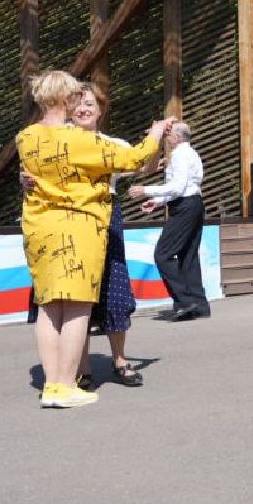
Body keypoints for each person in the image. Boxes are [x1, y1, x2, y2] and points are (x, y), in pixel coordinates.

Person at [17, 71, 170, 409]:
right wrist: (157, 133)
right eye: (75, 97)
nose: (79, 104)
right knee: (76, 308)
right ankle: (67, 386)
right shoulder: (83, 142)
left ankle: (52, 385)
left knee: (48, 308)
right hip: (79, 229)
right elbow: (133, 158)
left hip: (40, 228)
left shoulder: (25, 137)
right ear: (65, 99)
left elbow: (34, 174)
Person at [73, 85, 155, 387]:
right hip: (74, 217)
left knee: (115, 286)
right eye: (78, 104)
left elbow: (146, 165)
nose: (83, 109)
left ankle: (120, 360)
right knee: (79, 294)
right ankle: (83, 368)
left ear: (100, 109)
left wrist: (154, 141)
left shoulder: (112, 143)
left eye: (90, 104)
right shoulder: (59, 141)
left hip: (108, 214)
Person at [131, 121, 209, 322]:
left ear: (179, 137)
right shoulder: (191, 153)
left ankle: (184, 301)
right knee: (188, 256)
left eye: (170, 133)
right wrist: (157, 202)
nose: (167, 136)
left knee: (163, 254)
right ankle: (199, 304)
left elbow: (177, 187)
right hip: (193, 203)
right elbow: (182, 187)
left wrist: (145, 190)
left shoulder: (180, 155)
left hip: (184, 206)